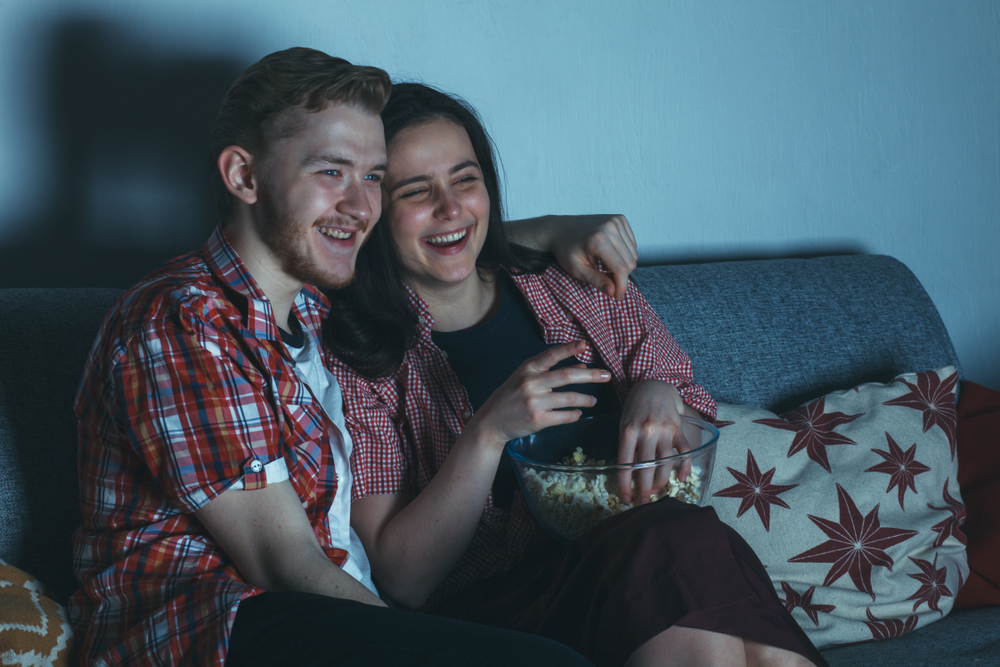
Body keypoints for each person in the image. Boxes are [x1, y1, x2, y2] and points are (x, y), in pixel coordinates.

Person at [70, 47, 637, 667]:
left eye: (373, 177)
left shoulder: (309, 307)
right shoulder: (181, 323)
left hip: (305, 618)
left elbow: (437, 238)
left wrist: (554, 227)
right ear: (244, 177)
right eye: (330, 172)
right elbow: (283, 564)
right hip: (214, 631)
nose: (362, 206)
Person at [326, 83, 830, 667]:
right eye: (416, 191)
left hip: (650, 561)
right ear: (375, 210)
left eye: (466, 179)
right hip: (503, 614)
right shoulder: (360, 357)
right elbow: (405, 578)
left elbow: (693, 422)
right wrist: (488, 433)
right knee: (677, 543)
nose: (451, 208)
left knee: (683, 537)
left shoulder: (576, 284)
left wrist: (659, 392)